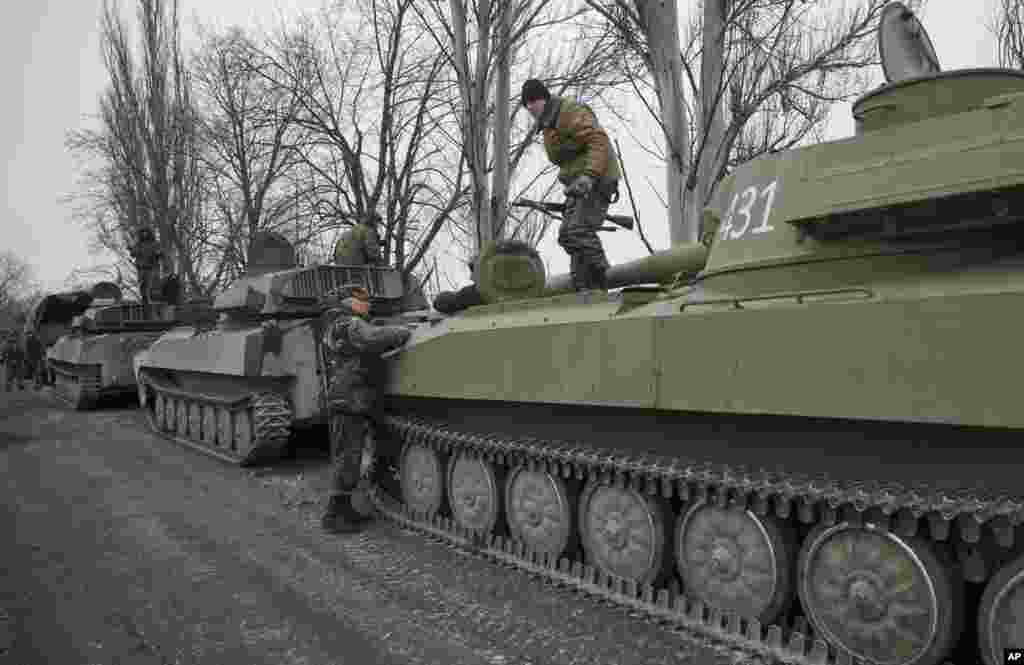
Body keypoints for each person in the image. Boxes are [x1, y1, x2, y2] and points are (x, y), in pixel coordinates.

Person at [320, 284, 412, 534]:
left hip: (353, 396)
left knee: (351, 454)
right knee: (348, 456)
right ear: (348, 302)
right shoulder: (345, 323)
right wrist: (404, 331)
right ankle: (333, 515)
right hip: (349, 398)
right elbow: (371, 338)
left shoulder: (339, 323)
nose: (367, 303)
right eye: (361, 299)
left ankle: (345, 509)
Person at [521, 78, 621, 292]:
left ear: (544, 98)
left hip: (596, 179)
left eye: (533, 101)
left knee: (577, 230)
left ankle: (606, 276)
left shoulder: (568, 112)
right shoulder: (548, 124)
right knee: (568, 236)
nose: (530, 107)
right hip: (578, 185)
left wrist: (589, 176)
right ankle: (584, 287)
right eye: (526, 104)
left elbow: (598, 140)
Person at [130, 227, 162, 311]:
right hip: (141, 268)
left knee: (151, 285)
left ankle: (151, 300)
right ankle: (144, 301)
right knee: (142, 285)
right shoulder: (138, 244)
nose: (144, 234)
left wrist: (158, 254)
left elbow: (160, 253)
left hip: (151, 267)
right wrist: (131, 249)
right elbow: (133, 254)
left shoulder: (155, 243)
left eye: (146, 232)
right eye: (142, 232)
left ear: (149, 233)